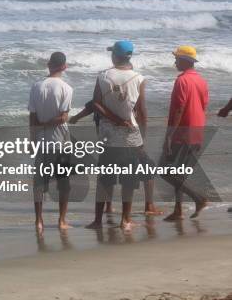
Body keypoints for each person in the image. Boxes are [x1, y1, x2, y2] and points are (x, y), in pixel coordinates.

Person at [86, 41, 147, 231]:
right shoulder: (139, 78)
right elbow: (142, 111)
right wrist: (142, 137)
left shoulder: (103, 76)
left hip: (107, 137)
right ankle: (125, 220)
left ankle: (97, 221)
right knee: (128, 180)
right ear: (129, 57)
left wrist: (114, 120)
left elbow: (96, 103)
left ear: (114, 56)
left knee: (105, 179)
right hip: (131, 137)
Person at [71, 98, 161, 216]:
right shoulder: (122, 95)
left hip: (107, 141)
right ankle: (148, 206)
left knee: (108, 173)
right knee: (147, 166)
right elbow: (137, 114)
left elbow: (91, 107)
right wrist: (141, 138)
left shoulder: (102, 97)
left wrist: (76, 118)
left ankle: (108, 207)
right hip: (127, 141)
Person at [161, 46, 209, 221]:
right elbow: (204, 106)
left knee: (165, 171)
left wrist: (169, 135)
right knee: (179, 173)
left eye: (177, 58)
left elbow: (179, 109)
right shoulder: (202, 81)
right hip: (197, 131)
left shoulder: (182, 81)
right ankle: (178, 210)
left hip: (183, 133)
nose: (174, 62)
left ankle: (199, 198)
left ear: (185, 61)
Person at [28, 52, 73, 234]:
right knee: (64, 183)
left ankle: (39, 221)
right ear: (64, 67)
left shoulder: (36, 87)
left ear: (49, 65)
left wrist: (32, 139)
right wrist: (47, 124)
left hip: (41, 142)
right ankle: (61, 220)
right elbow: (63, 117)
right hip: (60, 142)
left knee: (39, 183)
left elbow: (31, 117)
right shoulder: (66, 88)